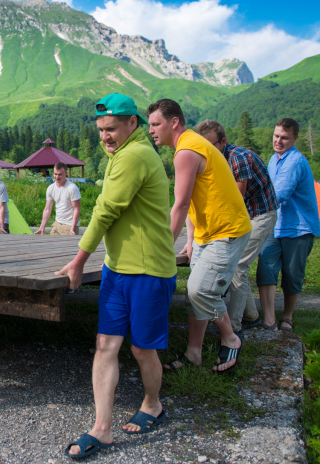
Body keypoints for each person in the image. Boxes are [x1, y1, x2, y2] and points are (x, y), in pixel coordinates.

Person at [56, 93, 176, 459]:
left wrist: (78, 260)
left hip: (148, 270)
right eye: (101, 131)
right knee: (106, 345)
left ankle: (153, 404)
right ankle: (102, 428)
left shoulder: (137, 155)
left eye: (111, 129)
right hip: (118, 268)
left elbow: (106, 210)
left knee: (142, 348)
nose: (105, 136)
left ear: (132, 123)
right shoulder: (119, 155)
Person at [148, 99, 251, 374]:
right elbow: (195, 200)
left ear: (174, 122)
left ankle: (231, 338)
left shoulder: (186, 151)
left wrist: (163, 247)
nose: (151, 131)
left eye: (156, 124)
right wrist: (191, 240)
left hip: (226, 231)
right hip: (209, 232)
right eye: (149, 125)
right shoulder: (191, 143)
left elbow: (180, 204)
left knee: (200, 290)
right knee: (194, 295)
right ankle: (194, 353)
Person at [193, 120, 278, 334]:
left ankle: (237, 326)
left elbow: (235, 200)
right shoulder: (211, 157)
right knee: (236, 264)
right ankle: (251, 315)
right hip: (242, 215)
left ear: (223, 141)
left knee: (238, 265)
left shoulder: (237, 158)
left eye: (211, 146)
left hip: (259, 214)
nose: (205, 151)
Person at [256, 118, 319, 331]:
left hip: (299, 227)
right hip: (275, 224)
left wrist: (248, 206)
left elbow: (279, 194)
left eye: (284, 137)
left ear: (295, 138)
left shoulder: (296, 161)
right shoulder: (274, 159)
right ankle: (269, 320)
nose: (278, 141)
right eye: (276, 136)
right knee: (266, 268)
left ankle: (287, 317)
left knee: (292, 275)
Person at [35, 162, 81, 236]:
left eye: (60, 174)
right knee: (51, 245)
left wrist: (72, 228)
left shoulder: (72, 188)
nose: (57, 177)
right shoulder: (51, 188)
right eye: (55, 174)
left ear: (65, 173)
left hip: (69, 225)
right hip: (56, 224)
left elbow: (77, 209)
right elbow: (47, 209)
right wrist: (42, 228)